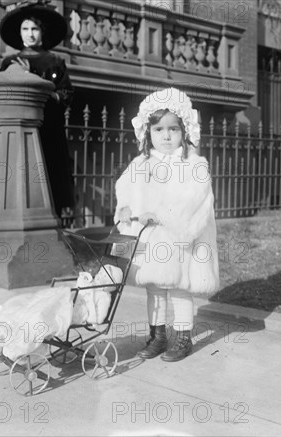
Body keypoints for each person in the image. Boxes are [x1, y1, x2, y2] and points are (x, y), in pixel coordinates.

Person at [114, 88, 220, 362]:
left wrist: (161, 213)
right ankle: (158, 335)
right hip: (152, 239)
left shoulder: (193, 165)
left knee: (180, 286)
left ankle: (183, 336)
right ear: (147, 133)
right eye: (159, 129)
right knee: (155, 288)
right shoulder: (141, 163)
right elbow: (126, 187)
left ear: (184, 131)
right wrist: (125, 207)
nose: (166, 136)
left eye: (173, 129)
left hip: (180, 238)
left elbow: (195, 199)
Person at [0, 1, 74, 219]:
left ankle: (53, 220)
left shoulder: (54, 61)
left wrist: (39, 83)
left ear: (42, 32)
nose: (30, 34)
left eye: (34, 29)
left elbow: (66, 93)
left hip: (48, 126)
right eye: (25, 29)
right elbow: (0, 90)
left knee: (49, 172)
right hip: (18, 126)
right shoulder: (10, 61)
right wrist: (17, 74)